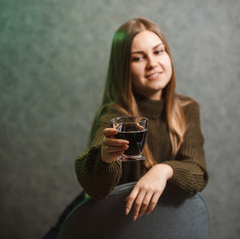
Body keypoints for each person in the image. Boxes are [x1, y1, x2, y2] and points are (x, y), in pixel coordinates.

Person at [43, 17, 208, 238]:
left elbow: (197, 172)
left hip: (150, 226)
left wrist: (163, 170)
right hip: (101, 223)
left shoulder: (188, 109)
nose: (152, 63)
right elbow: (95, 187)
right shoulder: (114, 114)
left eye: (158, 52)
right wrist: (104, 158)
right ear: (124, 69)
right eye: (138, 58)